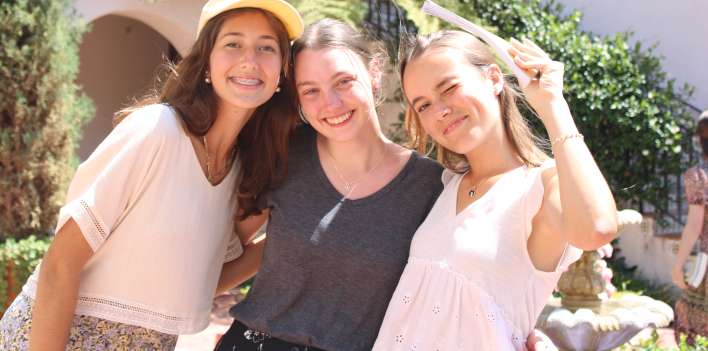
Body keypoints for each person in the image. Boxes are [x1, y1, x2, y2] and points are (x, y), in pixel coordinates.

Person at [214, 20, 562, 351]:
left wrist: (520, 330)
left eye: (343, 82)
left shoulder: (435, 187)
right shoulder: (285, 154)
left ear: (375, 73)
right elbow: (224, 258)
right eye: (311, 91)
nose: (331, 104)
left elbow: (473, 276)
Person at [0, 0, 304, 351]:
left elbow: (199, 279)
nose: (250, 59)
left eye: (267, 47)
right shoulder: (156, 130)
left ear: (282, 71)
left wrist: (295, 238)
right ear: (205, 62)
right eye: (233, 43)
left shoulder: (241, 170)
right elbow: (60, 264)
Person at [372, 31, 619, 351]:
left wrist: (552, 104)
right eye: (423, 106)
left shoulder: (541, 186)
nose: (439, 111)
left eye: (449, 88)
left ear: (493, 78)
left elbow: (596, 227)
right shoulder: (444, 184)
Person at [672, 110, 708, 345]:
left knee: (694, 330)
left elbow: (695, 225)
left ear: (699, 139)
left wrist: (678, 266)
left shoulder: (699, 175)